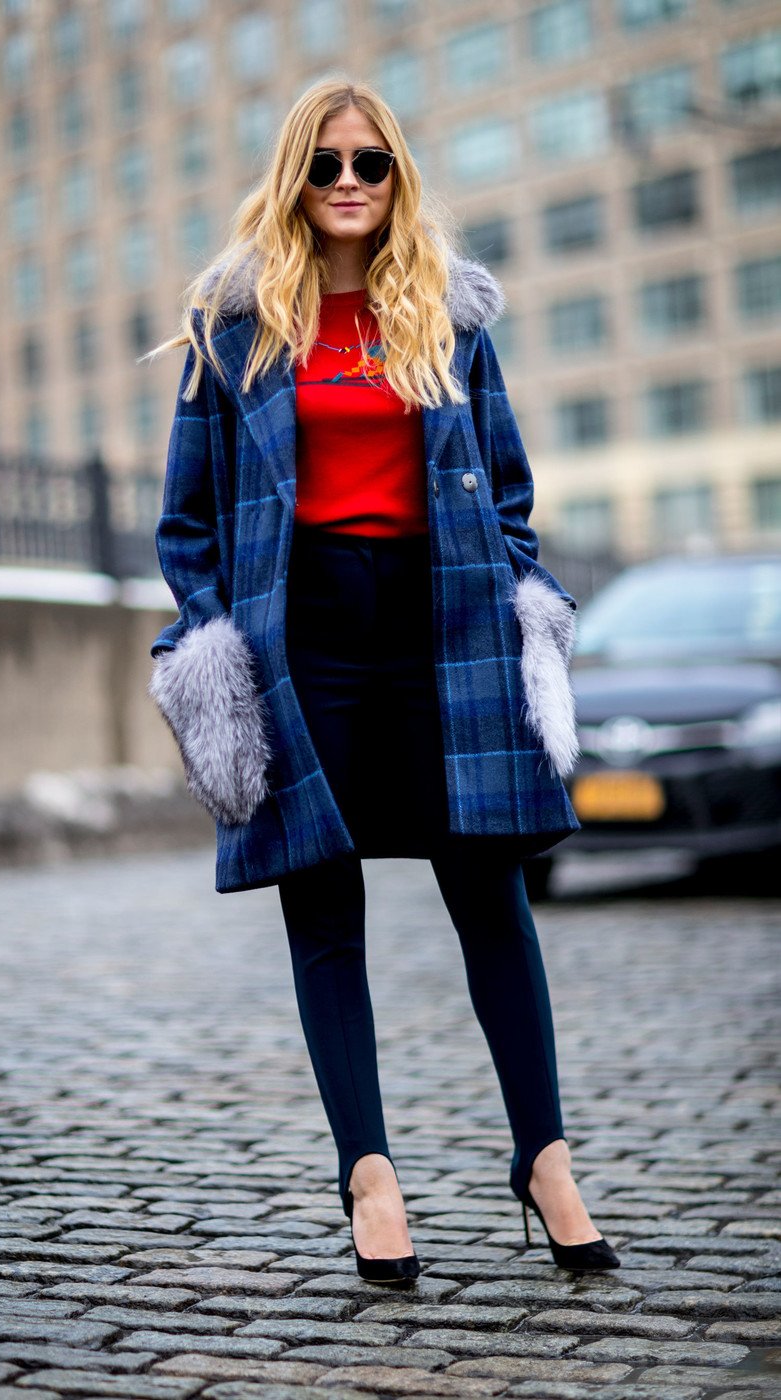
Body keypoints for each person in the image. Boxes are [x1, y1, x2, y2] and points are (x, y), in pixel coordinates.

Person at [141, 76, 620, 1283]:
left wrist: (515, 590)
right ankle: (369, 1173)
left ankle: (546, 1157)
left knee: (492, 894)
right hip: (303, 638)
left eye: (370, 162)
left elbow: (508, 490)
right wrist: (214, 637)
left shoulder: (450, 321)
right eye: (325, 164)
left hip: (443, 626)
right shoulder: (231, 332)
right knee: (324, 908)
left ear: (397, 176)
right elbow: (186, 523)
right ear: (293, 181)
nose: (348, 181)